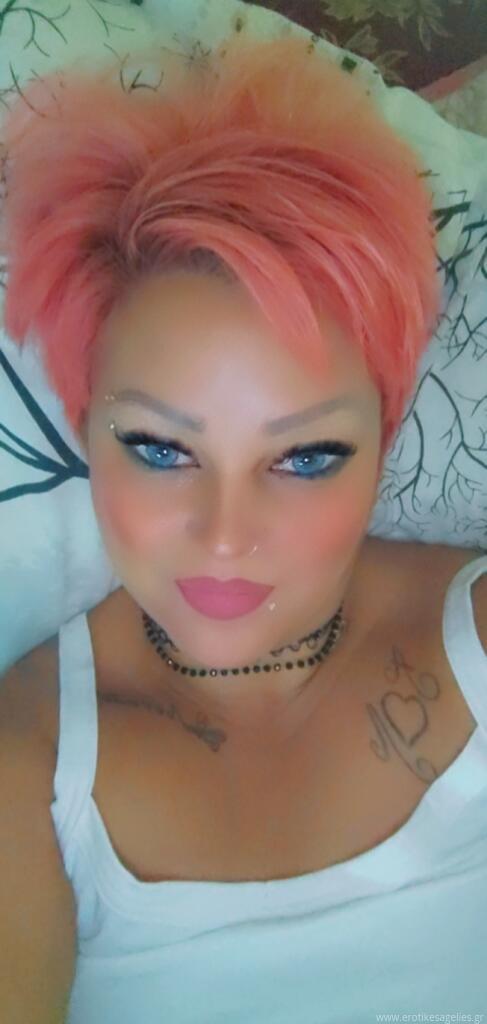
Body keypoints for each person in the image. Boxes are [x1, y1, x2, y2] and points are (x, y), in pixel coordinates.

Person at [0, 31, 486, 1024]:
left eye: (305, 457)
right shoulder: (28, 762)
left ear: (385, 438)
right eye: (159, 448)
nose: (225, 536)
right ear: (85, 430)